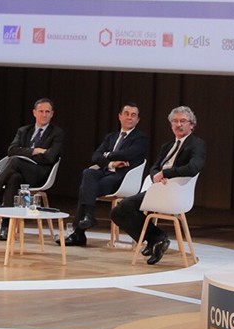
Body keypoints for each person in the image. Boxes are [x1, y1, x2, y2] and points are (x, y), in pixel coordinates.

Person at [110, 106, 206, 265]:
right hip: (158, 190)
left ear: (192, 125)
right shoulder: (167, 146)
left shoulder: (197, 144)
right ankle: (156, 239)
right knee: (117, 212)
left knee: (125, 207)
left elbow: (194, 168)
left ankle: (156, 239)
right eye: (175, 121)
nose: (178, 124)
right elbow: (155, 167)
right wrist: (156, 175)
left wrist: (166, 174)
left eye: (183, 121)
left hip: (176, 192)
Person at [0, 98, 64, 240]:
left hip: (39, 173)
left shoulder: (57, 133)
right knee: (14, 178)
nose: (44, 114)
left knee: (14, 162)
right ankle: (6, 227)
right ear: (34, 113)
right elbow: (11, 150)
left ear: (52, 114)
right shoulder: (24, 130)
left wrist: (25, 153)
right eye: (41, 111)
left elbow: (50, 157)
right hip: (20, 172)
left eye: (47, 111)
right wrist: (34, 151)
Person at [63, 103, 150, 247]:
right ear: (120, 116)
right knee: (88, 173)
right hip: (106, 172)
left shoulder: (141, 138)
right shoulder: (111, 136)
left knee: (85, 188)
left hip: (123, 178)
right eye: (127, 114)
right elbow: (95, 156)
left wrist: (108, 154)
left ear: (138, 120)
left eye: (133, 115)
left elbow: (128, 153)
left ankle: (80, 231)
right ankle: (88, 217)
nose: (129, 117)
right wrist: (111, 163)